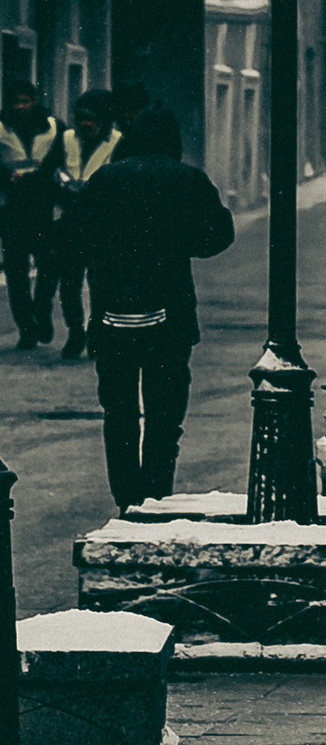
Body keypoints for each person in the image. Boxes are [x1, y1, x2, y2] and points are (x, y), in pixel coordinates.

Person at [54, 101, 232, 513]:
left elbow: (72, 236)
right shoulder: (188, 179)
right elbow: (218, 235)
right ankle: (155, 492)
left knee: (118, 412)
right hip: (170, 312)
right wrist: (177, 244)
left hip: (113, 310)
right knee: (165, 413)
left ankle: (127, 497)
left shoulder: (105, 180)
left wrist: (106, 252)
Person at [49, 90, 122, 360]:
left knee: (100, 283)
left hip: (103, 223)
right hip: (70, 220)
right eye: (81, 119)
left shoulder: (117, 141)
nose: (85, 124)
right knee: (69, 284)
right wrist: (65, 184)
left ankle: (96, 333)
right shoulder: (66, 138)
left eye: (91, 119)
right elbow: (53, 168)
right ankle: (75, 331)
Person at [0, 78, 62, 349]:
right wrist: (5, 176)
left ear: (34, 101)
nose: (21, 106)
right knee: (16, 272)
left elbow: (61, 158)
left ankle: (42, 311)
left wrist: (43, 175)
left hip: (42, 206)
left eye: (25, 101)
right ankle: (26, 328)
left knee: (48, 265)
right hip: (11, 207)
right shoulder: (2, 126)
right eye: (16, 102)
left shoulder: (53, 126)